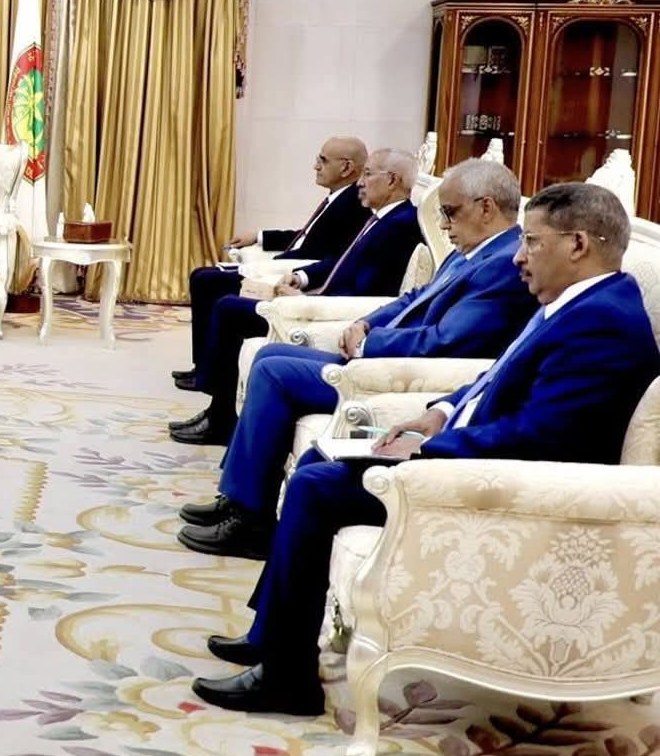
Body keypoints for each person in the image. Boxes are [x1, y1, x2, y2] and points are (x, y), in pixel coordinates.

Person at [192, 182, 660, 716]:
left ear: (577, 244)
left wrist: (430, 448)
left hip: (508, 491)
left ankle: (286, 679)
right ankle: (271, 636)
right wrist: (438, 411)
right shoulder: (579, 300)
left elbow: (542, 436)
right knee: (326, 455)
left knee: (317, 486)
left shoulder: (602, 323)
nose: (518, 256)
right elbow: (496, 376)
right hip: (476, 450)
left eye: (531, 241)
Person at [177, 159, 533, 559]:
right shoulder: (473, 250)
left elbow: (446, 340)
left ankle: (250, 520)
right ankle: (238, 499)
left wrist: (370, 343)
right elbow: (415, 298)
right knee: (271, 353)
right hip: (382, 356)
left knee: (275, 371)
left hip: (402, 374)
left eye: (449, 212)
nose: (443, 224)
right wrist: (366, 322)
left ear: (486, 208)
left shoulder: (502, 264)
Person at [172, 148, 425, 446]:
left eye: (367, 174)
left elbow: (367, 289)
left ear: (392, 180)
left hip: (328, 314)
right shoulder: (382, 219)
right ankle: (217, 411)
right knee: (227, 302)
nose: (360, 182)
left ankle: (221, 419)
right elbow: (341, 263)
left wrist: (304, 299)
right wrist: (302, 277)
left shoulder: (399, 226)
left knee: (230, 310)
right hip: (315, 298)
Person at [175, 137, 369, 390]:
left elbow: (326, 254)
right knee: (202, 275)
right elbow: (306, 236)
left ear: (346, 167)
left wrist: (277, 270)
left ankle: (207, 374)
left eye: (322, 160)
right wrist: (260, 236)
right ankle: (203, 367)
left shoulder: (353, 203)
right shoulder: (339, 197)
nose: (315, 166)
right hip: (284, 268)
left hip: (288, 274)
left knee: (207, 280)